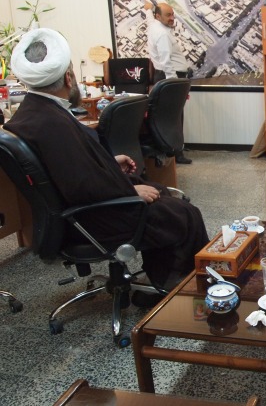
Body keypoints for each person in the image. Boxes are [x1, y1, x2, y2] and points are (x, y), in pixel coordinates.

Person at [5, 28, 210, 297]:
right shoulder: (51, 123)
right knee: (184, 214)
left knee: (163, 197)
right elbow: (81, 185)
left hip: (82, 211)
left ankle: (163, 279)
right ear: (68, 78)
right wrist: (129, 191)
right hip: (94, 218)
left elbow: (68, 169)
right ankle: (180, 289)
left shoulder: (35, 113)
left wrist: (109, 163)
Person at [147, 1, 192, 164]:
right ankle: (177, 152)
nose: (172, 18)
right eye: (168, 15)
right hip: (171, 76)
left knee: (169, 116)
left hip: (165, 76)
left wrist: (148, 9)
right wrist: (175, 85)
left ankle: (173, 150)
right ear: (158, 16)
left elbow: (149, 18)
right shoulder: (163, 34)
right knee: (175, 116)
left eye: (173, 14)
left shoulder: (154, 26)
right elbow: (166, 62)